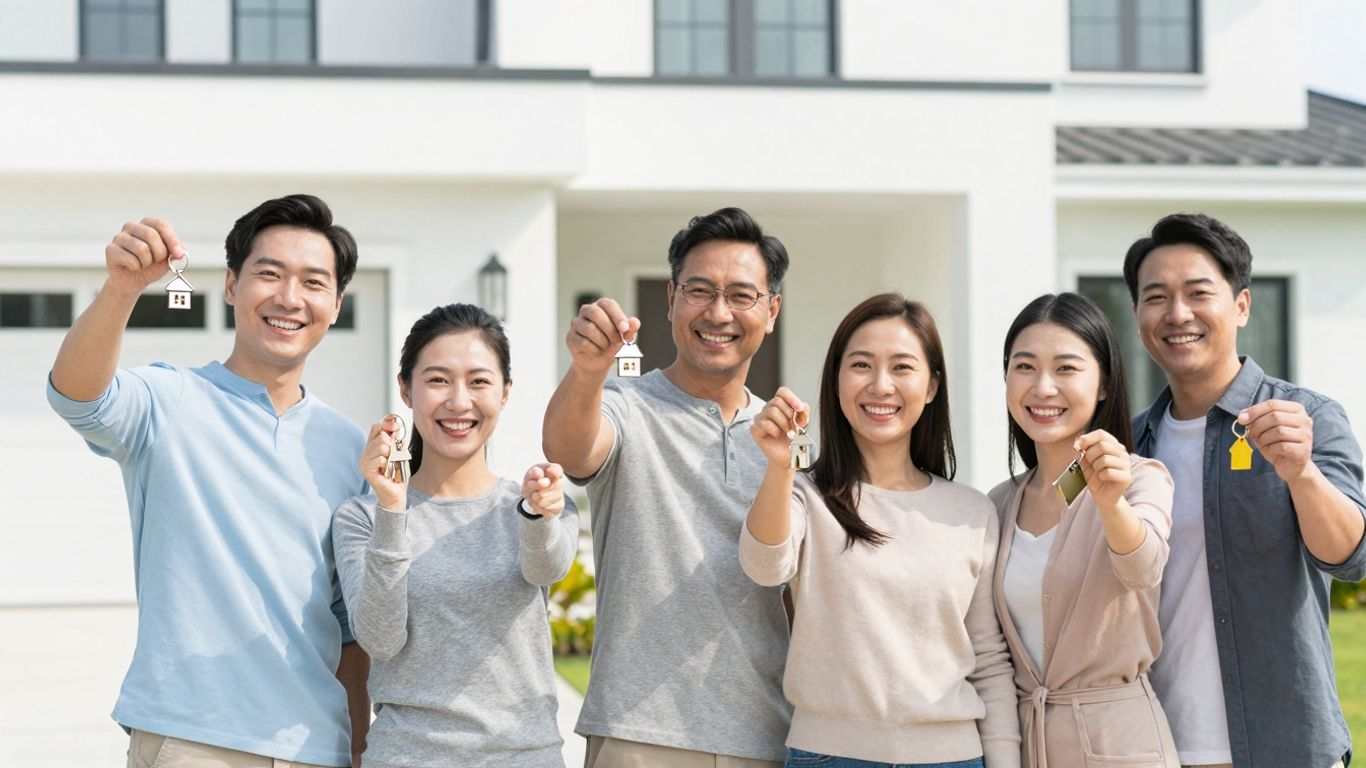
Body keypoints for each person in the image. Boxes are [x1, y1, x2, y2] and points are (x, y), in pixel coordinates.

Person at [47, 195, 370, 767]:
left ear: (336, 304)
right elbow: (79, 397)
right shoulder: (168, 400)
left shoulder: (350, 448)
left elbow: (348, 625)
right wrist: (121, 290)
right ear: (230, 285)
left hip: (317, 748)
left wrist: (361, 750)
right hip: (192, 740)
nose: (289, 298)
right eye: (269, 273)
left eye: (313, 282)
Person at [542, 207, 791, 767]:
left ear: (771, 310)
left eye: (741, 295)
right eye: (699, 290)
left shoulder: (788, 439)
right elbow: (568, 450)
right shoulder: (624, 407)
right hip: (639, 735)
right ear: (671, 300)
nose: (718, 312)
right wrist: (586, 369)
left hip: (764, 736)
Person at [1125, 213, 1366, 768]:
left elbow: (1350, 556)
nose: (1177, 313)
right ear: (1138, 314)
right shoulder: (1129, 443)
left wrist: (1301, 473)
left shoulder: (1308, 418)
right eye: (1155, 296)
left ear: (1241, 306)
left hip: (1284, 742)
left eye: (1197, 293)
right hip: (1153, 743)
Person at [740, 293, 1019, 768]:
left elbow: (989, 661)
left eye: (902, 367)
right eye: (862, 365)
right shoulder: (806, 496)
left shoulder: (972, 511)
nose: (880, 385)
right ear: (836, 380)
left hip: (954, 758)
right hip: (828, 756)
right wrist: (779, 468)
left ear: (932, 386)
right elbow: (765, 568)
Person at [332, 303, 578, 768]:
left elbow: (546, 568)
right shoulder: (362, 517)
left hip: (524, 757)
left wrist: (536, 517)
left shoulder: (536, 503)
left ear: (505, 392)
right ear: (406, 389)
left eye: (479, 381)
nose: (459, 401)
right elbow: (379, 641)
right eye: (438, 380)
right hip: (407, 757)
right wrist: (392, 508)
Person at [991, 292, 1177, 768]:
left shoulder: (1141, 478)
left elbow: (1143, 566)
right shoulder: (999, 503)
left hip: (1121, 746)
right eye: (1025, 367)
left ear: (1103, 386)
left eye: (1067, 368)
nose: (1043, 387)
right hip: (1025, 744)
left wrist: (1110, 501)